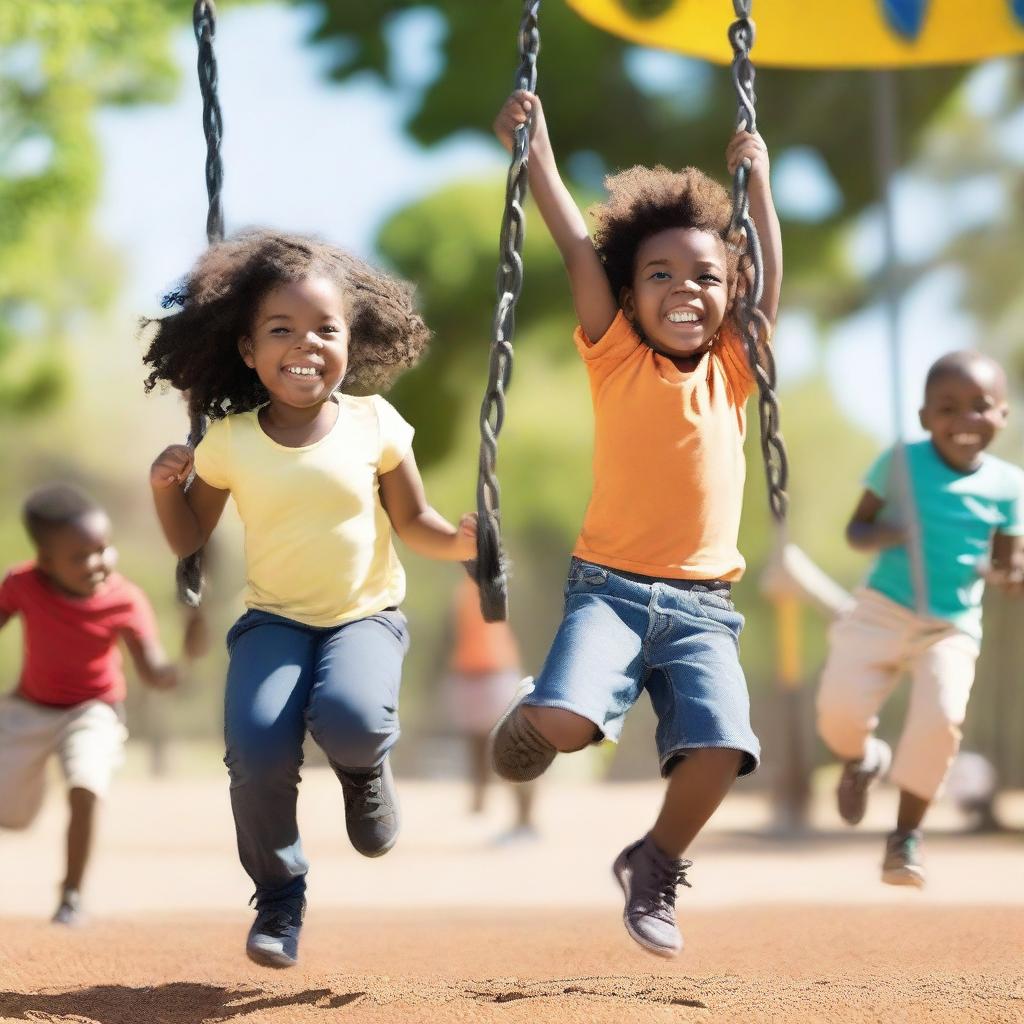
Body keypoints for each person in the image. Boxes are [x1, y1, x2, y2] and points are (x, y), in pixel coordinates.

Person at [489, 90, 782, 957]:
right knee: (565, 729)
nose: (686, 290)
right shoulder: (615, 353)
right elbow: (577, 247)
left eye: (706, 277)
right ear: (628, 293)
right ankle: (541, 712)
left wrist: (758, 188)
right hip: (610, 594)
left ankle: (653, 864)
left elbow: (766, 274)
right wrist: (534, 147)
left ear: (730, 295)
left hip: (703, 609)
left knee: (724, 747)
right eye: (660, 276)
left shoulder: (735, 369)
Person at [145, 231, 476, 968]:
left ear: (351, 341)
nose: (306, 344)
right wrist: (166, 489)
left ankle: (364, 773)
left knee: (353, 722)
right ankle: (280, 896)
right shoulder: (228, 441)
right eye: (281, 330)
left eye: (326, 329)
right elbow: (188, 536)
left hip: (365, 615)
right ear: (248, 350)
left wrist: (460, 544)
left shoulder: (375, 424)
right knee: (257, 751)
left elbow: (413, 522)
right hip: (274, 621)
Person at [816, 351, 1024, 887]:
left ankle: (905, 837)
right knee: (837, 714)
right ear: (925, 416)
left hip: (949, 625)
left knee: (942, 719)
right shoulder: (901, 463)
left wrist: (1008, 574)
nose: (964, 421)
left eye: (981, 407)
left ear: (1003, 415)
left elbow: (1008, 560)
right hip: (881, 610)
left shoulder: (1008, 484)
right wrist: (891, 531)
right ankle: (862, 758)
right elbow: (856, 530)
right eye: (948, 408)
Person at [0, 483, 187, 925]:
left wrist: (178, 669)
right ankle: (32, 779)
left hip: (94, 710)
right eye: (80, 555)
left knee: (86, 785)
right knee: (12, 817)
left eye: (103, 548)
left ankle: (70, 896)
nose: (97, 562)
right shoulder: (23, 584)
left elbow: (154, 670)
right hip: (29, 709)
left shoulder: (124, 599)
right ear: (45, 561)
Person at [444, 576, 536, 840]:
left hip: (497, 671)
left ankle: (526, 822)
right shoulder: (463, 587)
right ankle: (479, 807)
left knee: (512, 745)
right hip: (467, 672)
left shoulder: (496, 580)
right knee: (476, 742)